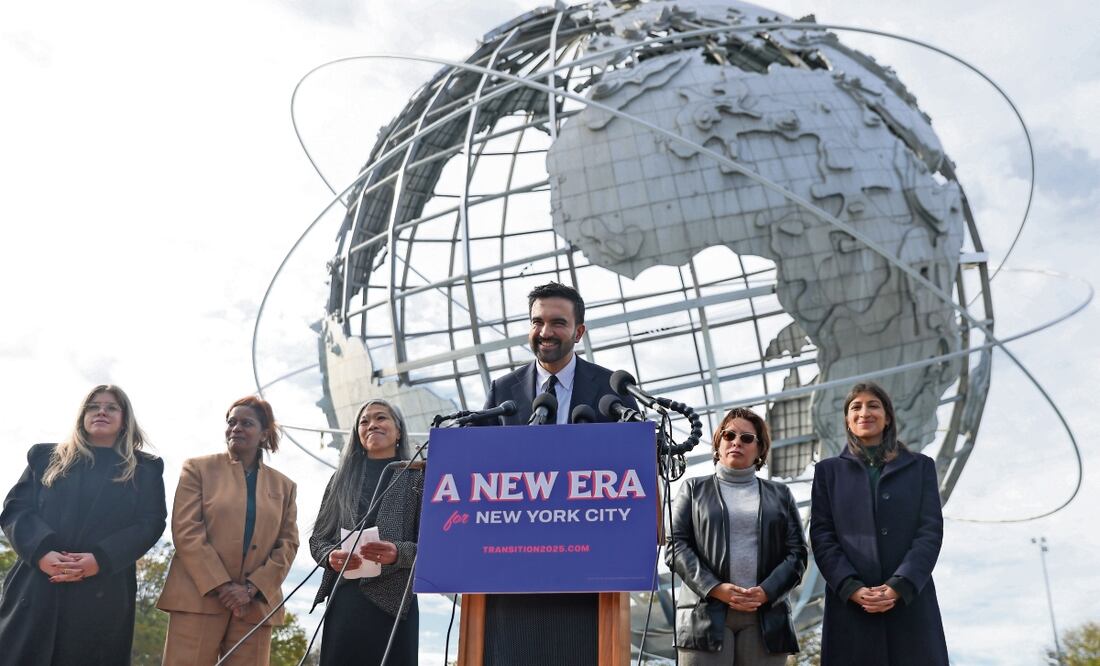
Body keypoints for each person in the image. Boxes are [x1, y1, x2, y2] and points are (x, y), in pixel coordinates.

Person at [479, 281, 639, 665]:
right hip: (511, 568)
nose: (545, 332)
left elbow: (632, 472)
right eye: (537, 322)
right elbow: (478, 467)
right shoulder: (504, 389)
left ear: (579, 332)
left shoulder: (612, 390)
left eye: (557, 323)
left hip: (589, 570)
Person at [0, 384, 167, 666]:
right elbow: (16, 508)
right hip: (37, 585)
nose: (101, 411)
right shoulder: (44, 458)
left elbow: (150, 523)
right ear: (82, 416)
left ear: (125, 418)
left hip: (101, 591)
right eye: (94, 406)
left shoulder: (145, 469)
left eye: (111, 407)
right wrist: (41, 553)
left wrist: (100, 559)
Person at [809, 382, 949, 666]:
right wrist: (850, 587)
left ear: (887, 417)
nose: (864, 412)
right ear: (848, 421)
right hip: (849, 607)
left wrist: (900, 584)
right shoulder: (827, 473)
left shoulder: (921, 467)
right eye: (855, 407)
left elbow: (929, 531)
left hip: (910, 604)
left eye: (873, 405)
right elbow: (823, 535)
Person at [157, 396, 299, 665]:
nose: (236, 428)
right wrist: (223, 586)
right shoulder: (197, 469)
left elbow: (288, 544)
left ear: (264, 434)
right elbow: (186, 530)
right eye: (231, 422)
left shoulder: (285, 487)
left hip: (255, 605)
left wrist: (250, 589)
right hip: (198, 598)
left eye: (246, 423)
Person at [667, 407, 807, 665]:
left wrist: (766, 591)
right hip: (704, 615)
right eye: (729, 435)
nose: (736, 442)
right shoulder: (693, 489)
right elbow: (675, 547)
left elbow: (797, 554)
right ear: (718, 443)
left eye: (746, 438)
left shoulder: (781, 494)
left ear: (760, 449)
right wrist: (715, 588)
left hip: (766, 617)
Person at [310, 399, 424, 666]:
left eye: (381, 418)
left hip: (396, 604)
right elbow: (318, 539)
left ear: (398, 431)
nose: (372, 424)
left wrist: (399, 553)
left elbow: (435, 545)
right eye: (364, 421)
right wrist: (330, 557)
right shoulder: (340, 479)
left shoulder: (420, 478)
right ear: (357, 434)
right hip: (346, 601)